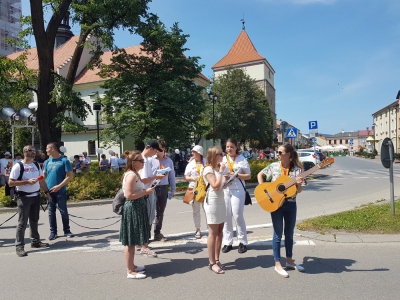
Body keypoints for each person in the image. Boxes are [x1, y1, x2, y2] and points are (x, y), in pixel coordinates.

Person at [257, 143, 305, 278]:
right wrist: (263, 189)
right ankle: (277, 263)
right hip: (276, 205)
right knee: (277, 234)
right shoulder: (273, 167)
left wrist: (298, 183)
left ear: (288, 154)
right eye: (277, 152)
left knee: (289, 234)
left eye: (279, 152)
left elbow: (299, 191)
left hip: (291, 205)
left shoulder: (297, 170)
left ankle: (289, 260)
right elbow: (260, 174)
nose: (277, 154)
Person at [9, 145, 52, 257]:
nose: (33, 152)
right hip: (24, 197)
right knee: (22, 223)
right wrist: (27, 182)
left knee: (34, 220)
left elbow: (41, 180)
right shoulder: (18, 166)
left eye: (34, 151)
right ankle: (19, 246)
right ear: (24, 152)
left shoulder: (36, 165)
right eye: (30, 151)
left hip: (36, 196)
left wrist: (47, 193)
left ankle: (35, 242)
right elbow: (11, 182)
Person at [120, 150, 156, 279]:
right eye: (141, 161)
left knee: (133, 240)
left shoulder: (134, 173)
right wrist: (145, 192)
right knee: (130, 242)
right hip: (133, 208)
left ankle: (132, 265)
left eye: (143, 160)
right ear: (133, 162)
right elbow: (129, 196)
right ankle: (130, 271)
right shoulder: (131, 175)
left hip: (137, 207)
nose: (143, 163)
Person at [221, 138, 251, 254]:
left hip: (238, 190)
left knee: (238, 216)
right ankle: (227, 242)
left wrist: (237, 175)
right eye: (227, 147)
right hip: (226, 190)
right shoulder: (223, 159)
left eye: (231, 147)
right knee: (226, 217)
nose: (229, 149)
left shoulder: (241, 159)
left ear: (236, 147)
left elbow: (248, 176)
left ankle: (242, 241)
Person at [138, 140, 166, 257]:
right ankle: (143, 245)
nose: (155, 154)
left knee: (146, 219)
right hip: (146, 193)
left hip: (145, 192)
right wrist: (156, 176)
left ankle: (142, 243)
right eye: (155, 151)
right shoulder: (143, 160)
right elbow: (144, 180)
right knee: (146, 220)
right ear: (150, 149)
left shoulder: (142, 158)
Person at [203, 147, 227, 274]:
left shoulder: (218, 168)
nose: (222, 156)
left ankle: (217, 259)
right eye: (220, 154)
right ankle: (212, 263)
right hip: (212, 202)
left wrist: (228, 178)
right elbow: (215, 186)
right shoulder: (208, 169)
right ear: (213, 155)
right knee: (213, 233)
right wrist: (222, 173)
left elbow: (221, 184)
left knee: (220, 231)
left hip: (221, 201)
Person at [44, 142, 74, 240]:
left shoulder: (64, 161)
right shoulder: (47, 162)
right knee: (51, 212)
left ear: (53, 149)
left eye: (47, 148)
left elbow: (70, 176)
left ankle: (67, 230)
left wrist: (59, 186)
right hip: (49, 191)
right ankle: (53, 232)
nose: (46, 150)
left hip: (60, 190)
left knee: (63, 211)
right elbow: (43, 175)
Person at [151, 140, 176, 242]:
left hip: (164, 187)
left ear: (164, 149)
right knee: (150, 212)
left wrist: (173, 189)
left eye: (159, 147)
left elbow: (172, 176)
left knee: (160, 212)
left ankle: (157, 233)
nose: (156, 149)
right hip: (152, 187)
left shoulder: (169, 161)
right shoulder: (151, 160)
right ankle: (146, 236)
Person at [184, 145, 207, 239]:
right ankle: (198, 229)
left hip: (205, 189)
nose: (192, 153)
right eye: (192, 152)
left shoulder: (206, 162)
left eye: (194, 152)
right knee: (196, 211)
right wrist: (192, 178)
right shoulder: (190, 164)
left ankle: (211, 228)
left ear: (199, 153)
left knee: (207, 210)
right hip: (194, 189)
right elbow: (185, 177)